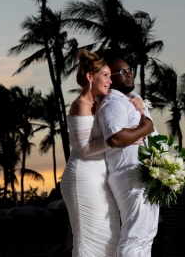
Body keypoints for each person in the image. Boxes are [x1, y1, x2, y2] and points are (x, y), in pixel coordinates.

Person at [62, 50, 139, 257]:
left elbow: (125, 102)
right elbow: (86, 149)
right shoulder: (81, 105)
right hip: (82, 177)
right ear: (90, 77)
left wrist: (136, 101)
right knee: (90, 240)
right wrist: (122, 139)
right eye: (105, 75)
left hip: (100, 177)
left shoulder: (100, 103)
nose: (110, 80)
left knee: (111, 237)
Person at [99, 57, 158, 257]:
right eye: (122, 72)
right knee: (135, 235)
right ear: (111, 80)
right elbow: (115, 137)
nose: (129, 73)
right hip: (130, 174)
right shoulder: (113, 103)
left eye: (130, 69)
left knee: (147, 235)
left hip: (147, 173)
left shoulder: (132, 100)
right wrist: (145, 128)